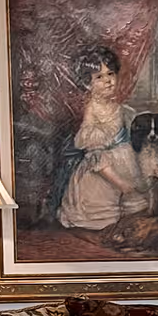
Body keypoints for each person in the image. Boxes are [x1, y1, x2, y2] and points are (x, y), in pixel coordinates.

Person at [55, 48, 147, 232]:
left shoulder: (119, 107)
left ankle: (125, 200)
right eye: (99, 77)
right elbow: (91, 144)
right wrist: (119, 181)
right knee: (106, 205)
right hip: (102, 163)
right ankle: (116, 196)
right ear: (88, 84)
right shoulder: (92, 107)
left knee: (136, 205)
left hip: (123, 157)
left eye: (111, 74)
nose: (108, 81)